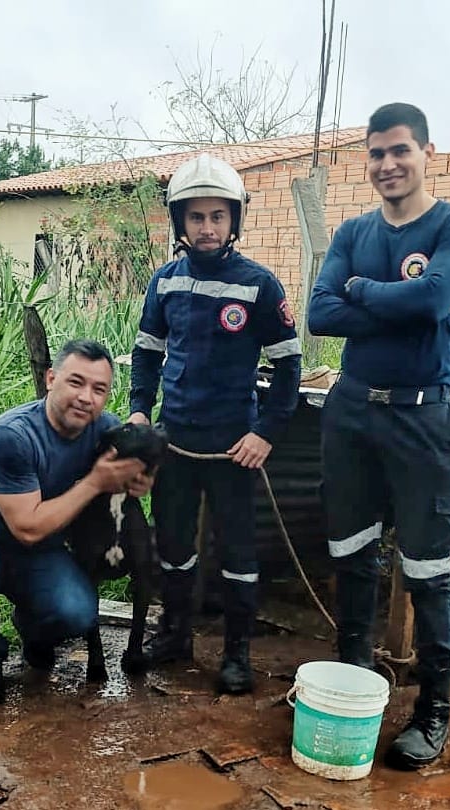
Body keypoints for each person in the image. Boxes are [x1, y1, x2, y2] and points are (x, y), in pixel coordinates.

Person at [306, 103, 450, 769]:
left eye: (399, 151)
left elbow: (433, 299)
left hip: (423, 418)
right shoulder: (354, 231)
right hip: (351, 412)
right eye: (377, 153)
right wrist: (382, 301)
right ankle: (352, 686)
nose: (387, 164)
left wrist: (359, 292)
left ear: (426, 152)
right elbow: (321, 312)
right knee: (352, 554)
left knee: (427, 572)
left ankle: (431, 713)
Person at [128, 153, 302, 695]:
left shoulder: (259, 286)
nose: (207, 228)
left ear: (234, 221)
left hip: (235, 449)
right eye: (197, 217)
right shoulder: (164, 283)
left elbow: (289, 366)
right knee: (174, 545)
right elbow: (147, 353)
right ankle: (175, 634)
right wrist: (139, 409)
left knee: (238, 552)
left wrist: (265, 432)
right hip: (175, 443)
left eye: (218, 217)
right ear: (180, 221)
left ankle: (236, 654)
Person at [0, 339, 154, 704]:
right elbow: (27, 527)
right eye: (76, 382)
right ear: (50, 378)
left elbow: (141, 464)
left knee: (77, 612)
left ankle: (33, 629)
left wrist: (141, 478)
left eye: (99, 389)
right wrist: (97, 481)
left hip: (41, 553)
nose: (86, 397)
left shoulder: (106, 431)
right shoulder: (11, 436)